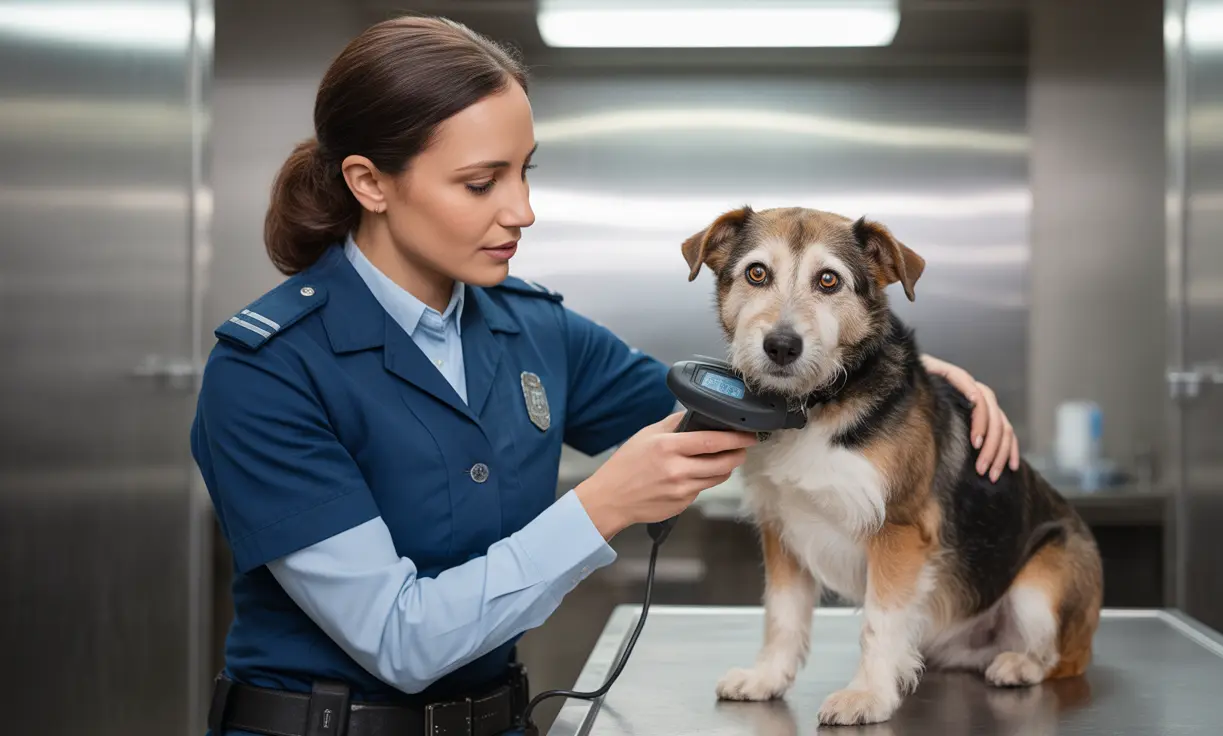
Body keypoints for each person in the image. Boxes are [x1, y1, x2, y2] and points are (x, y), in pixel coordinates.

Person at [192, 15, 1021, 736]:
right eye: (482, 182)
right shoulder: (267, 373)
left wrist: (914, 378)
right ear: (369, 182)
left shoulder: (530, 327)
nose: (521, 211)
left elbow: (743, 407)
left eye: (526, 172)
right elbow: (401, 642)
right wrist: (603, 505)